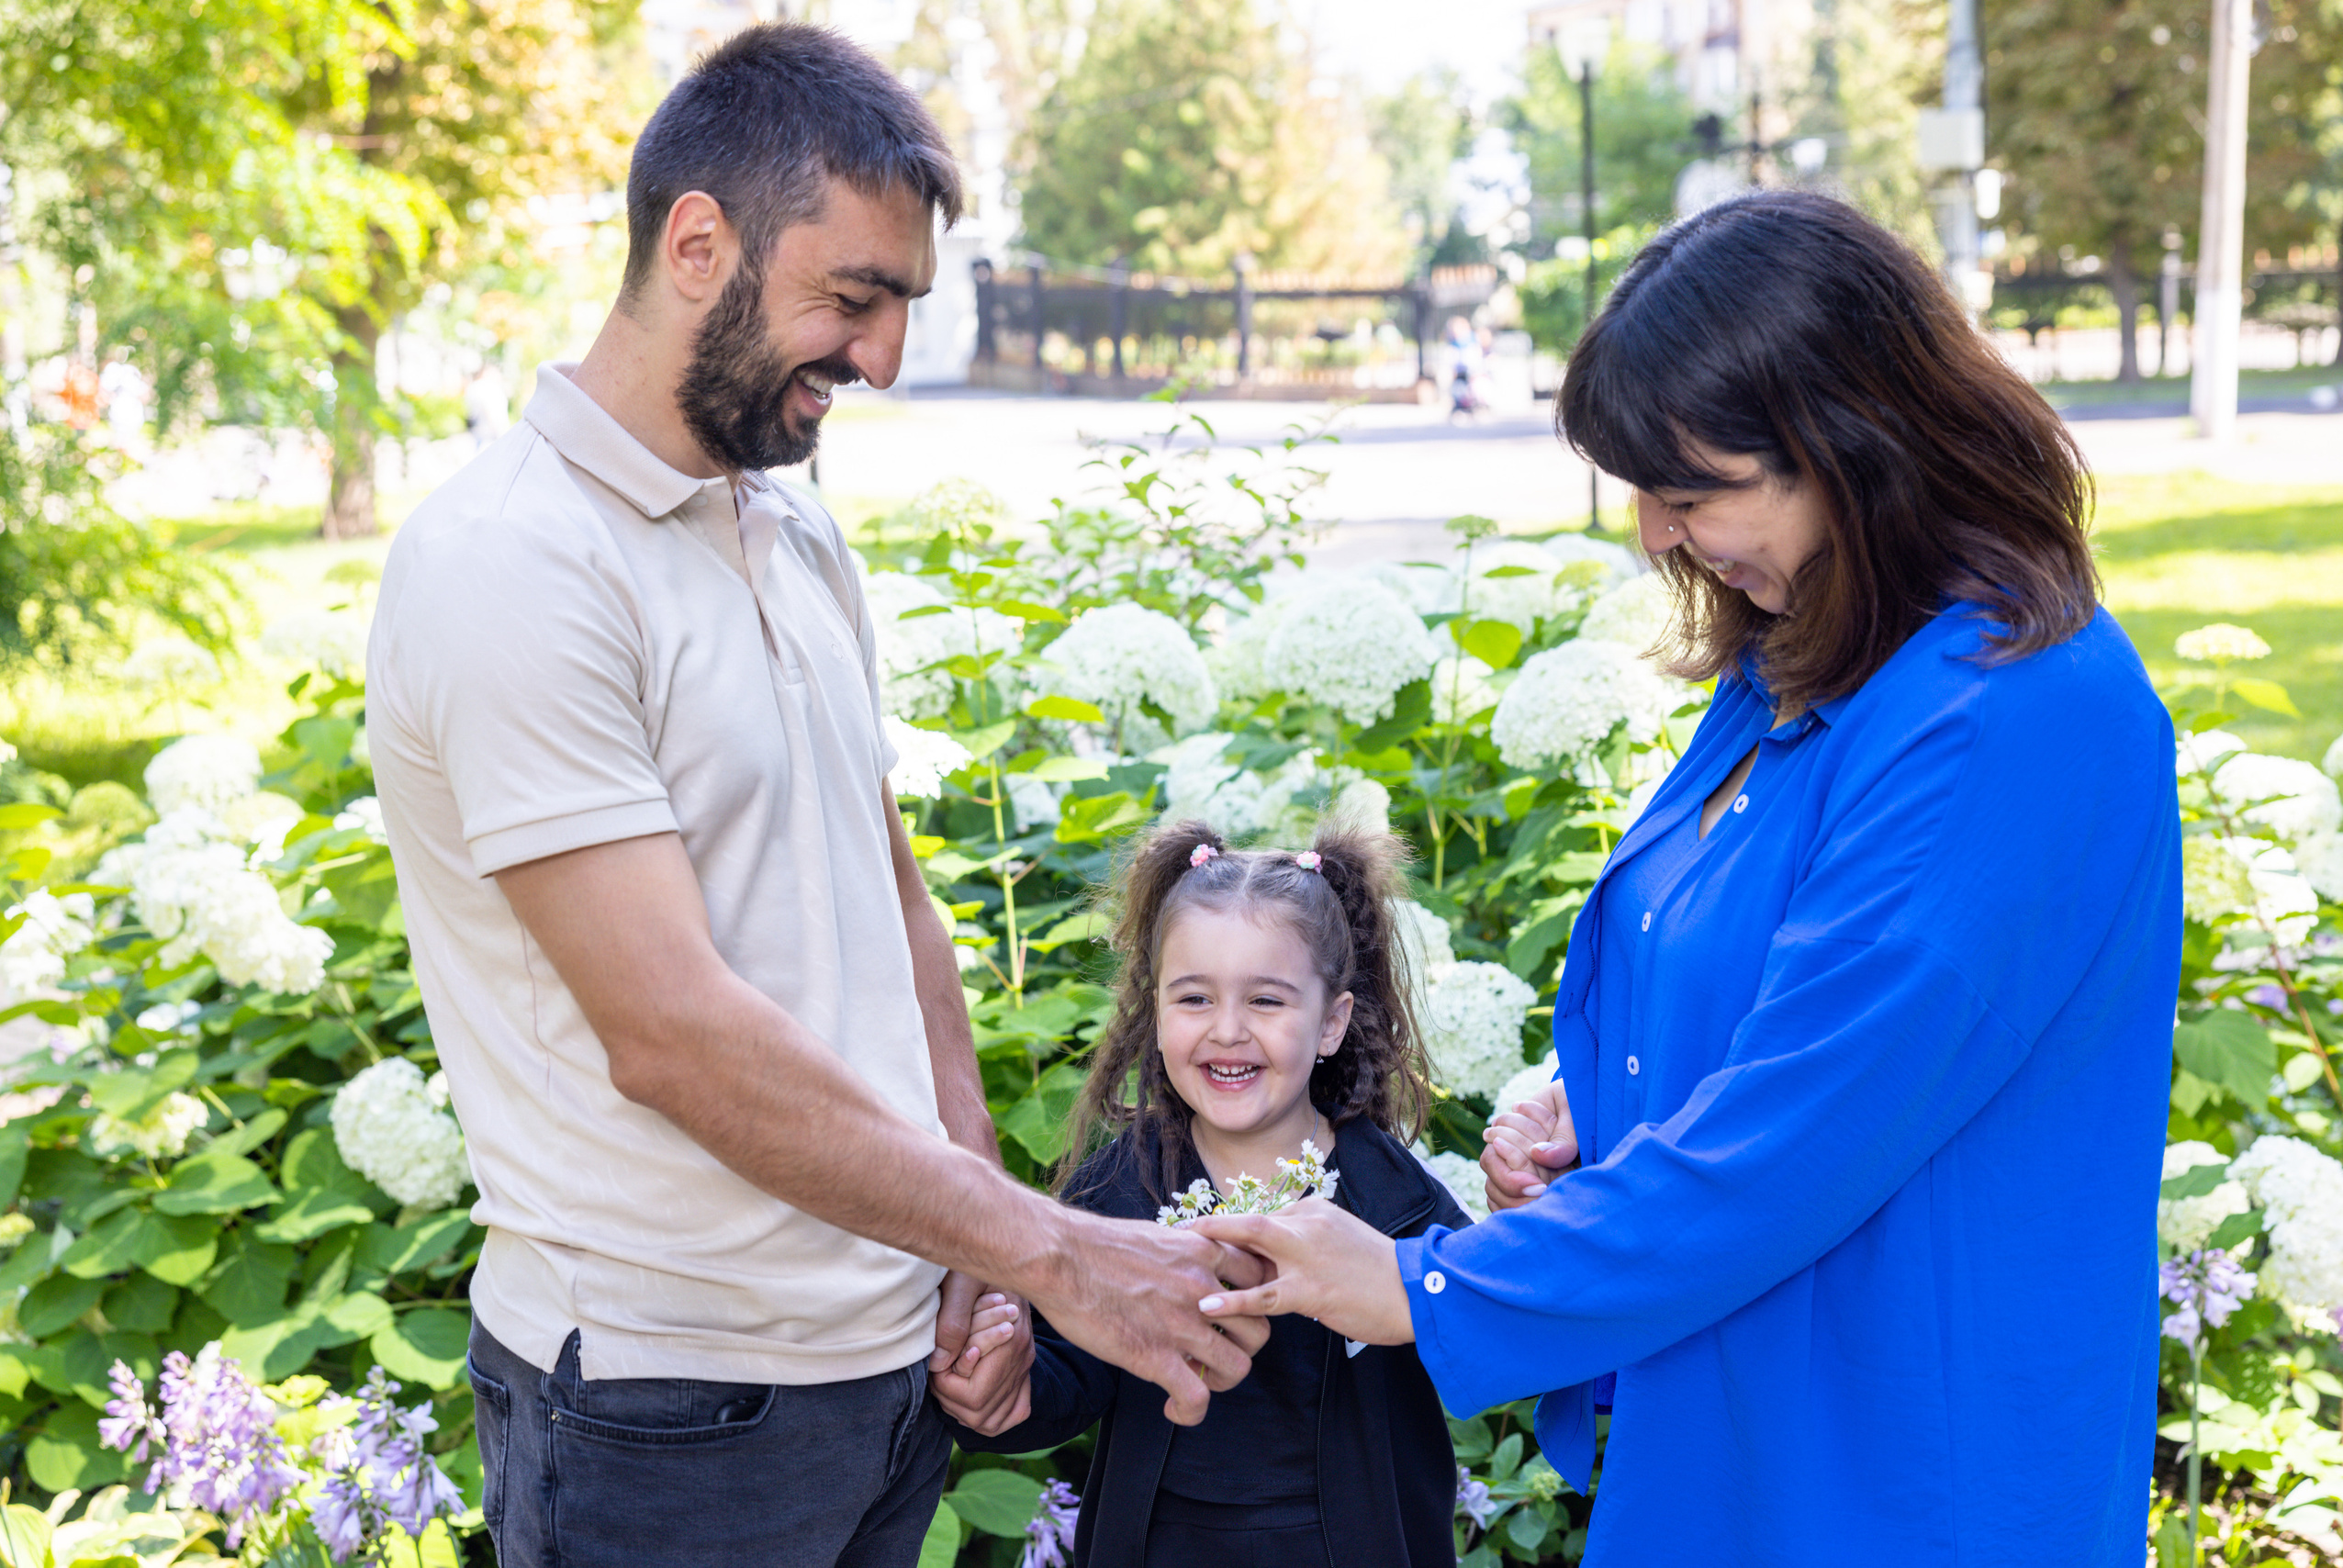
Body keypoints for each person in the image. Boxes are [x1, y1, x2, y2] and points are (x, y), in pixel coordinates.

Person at [366, 25, 1265, 1568]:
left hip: (887, 1359)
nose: (884, 358)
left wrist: (976, 1248)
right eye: (852, 298)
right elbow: (674, 1037)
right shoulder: (510, 563)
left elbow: (893, 905)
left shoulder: (791, 530)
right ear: (698, 243)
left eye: (902, 306)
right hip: (667, 1411)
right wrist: (1053, 1254)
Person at [1193, 189, 2181, 1566]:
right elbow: (1755, 985)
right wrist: (1591, 1102)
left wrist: (1426, 1285)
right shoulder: (1815, 644)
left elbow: (1801, 1128)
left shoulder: (2010, 716)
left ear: (1853, 444)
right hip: (1734, 1418)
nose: (1655, 535)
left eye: (1690, 490)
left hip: (1901, 1475)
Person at [950, 821, 1469, 1568]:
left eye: (1266, 1001)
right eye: (1194, 999)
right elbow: (1070, 1370)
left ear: (1331, 1022)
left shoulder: (1388, 1192)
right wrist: (1006, 1383)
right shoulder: (1119, 1186)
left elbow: (1468, 1331)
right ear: (1155, 1010)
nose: (1228, 1031)